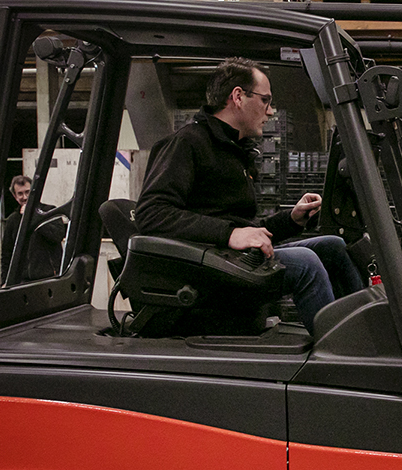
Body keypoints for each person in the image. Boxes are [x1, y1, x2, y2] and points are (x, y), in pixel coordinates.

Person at [134, 56, 364, 333]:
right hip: (207, 271)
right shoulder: (188, 143)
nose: (271, 111)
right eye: (266, 100)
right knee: (306, 264)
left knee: (332, 246)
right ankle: (340, 354)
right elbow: (151, 213)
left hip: (230, 259)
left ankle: (365, 335)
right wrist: (229, 234)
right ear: (238, 96)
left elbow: (246, 232)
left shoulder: (233, 150)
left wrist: (291, 219)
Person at [0, 174, 66, 282]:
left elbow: (57, 235)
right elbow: (7, 254)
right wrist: (4, 282)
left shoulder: (49, 211)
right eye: (20, 194)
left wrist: (33, 217)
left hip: (50, 278)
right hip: (23, 280)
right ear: (14, 196)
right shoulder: (13, 220)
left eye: (27, 192)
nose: (25, 197)